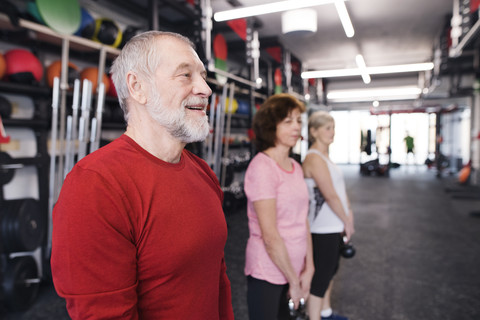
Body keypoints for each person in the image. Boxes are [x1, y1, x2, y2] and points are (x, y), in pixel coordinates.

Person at [51, 31, 234, 319]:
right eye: (185, 75)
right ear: (138, 87)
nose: (206, 89)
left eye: (202, 75)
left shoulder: (203, 172)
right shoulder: (95, 185)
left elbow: (217, 279)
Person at [243, 93, 314, 320]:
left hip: (296, 268)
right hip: (268, 271)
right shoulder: (262, 168)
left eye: (299, 121)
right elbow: (270, 236)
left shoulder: (295, 166)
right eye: (288, 121)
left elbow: (303, 219)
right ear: (271, 126)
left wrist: (309, 266)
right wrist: (294, 281)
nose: (296, 127)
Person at [302, 111, 354, 320]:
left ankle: (326, 312)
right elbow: (330, 195)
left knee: (331, 270)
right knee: (321, 276)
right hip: (321, 227)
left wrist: (349, 213)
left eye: (333, 128)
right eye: (327, 128)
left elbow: (341, 192)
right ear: (314, 131)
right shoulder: (313, 158)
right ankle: (314, 317)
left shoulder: (325, 157)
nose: (332, 132)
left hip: (333, 225)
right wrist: (347, 221)